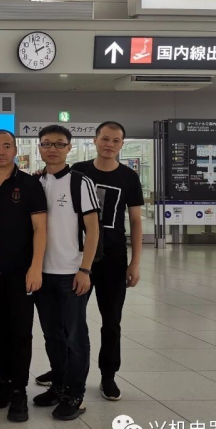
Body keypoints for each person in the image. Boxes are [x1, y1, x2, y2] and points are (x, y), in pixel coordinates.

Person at [71, 121, 143, 401]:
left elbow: (135, 221)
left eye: (115, 140)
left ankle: (108, 375)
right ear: (95, 140)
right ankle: (65, 370)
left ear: (121, 144)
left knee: (111, 320)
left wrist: (135, 263)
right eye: (105, 139)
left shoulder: (129, 177)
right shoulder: (79, 171)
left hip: (113, 257)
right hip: (79, 256)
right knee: (71, 318)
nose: (109, 144)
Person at [0, 130, 47, 422]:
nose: (1, 151)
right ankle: (5, 383)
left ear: (15, 150)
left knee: (20, 332)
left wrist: (35, 267)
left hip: (21, 271)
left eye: (7, 146)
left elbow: (40, 228)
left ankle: (19, 391)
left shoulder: (30, 184)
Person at [32, 125, 100, 421]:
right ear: (39, 147)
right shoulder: (36, 181)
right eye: (47, 143)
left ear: (69, 148)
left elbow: (93, 229)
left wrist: (85, 269)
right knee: (52, 335)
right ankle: (59, 386)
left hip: (71, 273)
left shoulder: (80, 182)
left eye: (59, 144)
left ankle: (76, 394)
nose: (52, 149)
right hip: (42, 274)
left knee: (75, 335)